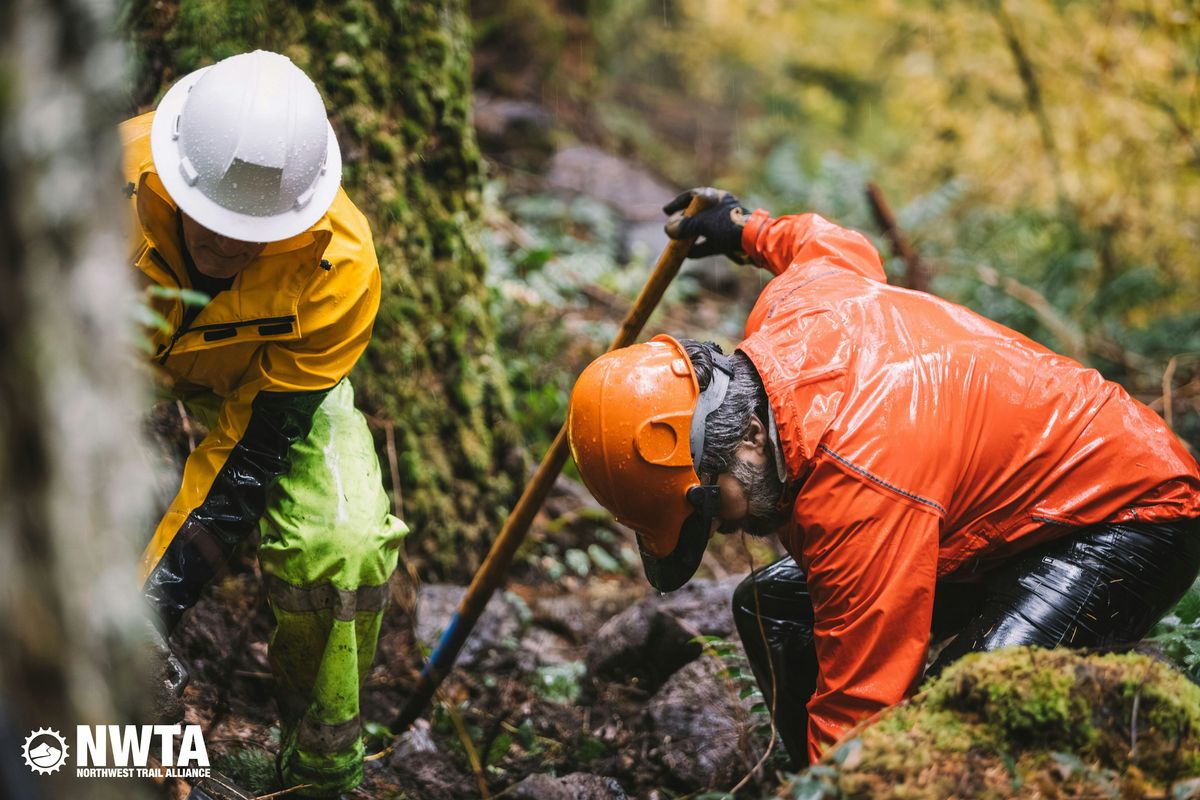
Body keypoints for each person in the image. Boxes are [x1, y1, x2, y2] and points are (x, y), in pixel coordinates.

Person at [566, 187, 1200, 767]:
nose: (731, 526)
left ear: (749, 435)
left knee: (960, 721)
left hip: (1131, 512)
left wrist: (845, 776)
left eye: (716, 508)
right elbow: (830, 244)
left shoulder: (857, 492)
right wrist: (743, 227)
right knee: (773, 608)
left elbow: (859, 714)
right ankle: (804, 777)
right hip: (997, 513)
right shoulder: (794, 308)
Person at [122, 50, 407, 798]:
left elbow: (249, 453)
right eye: (209, 226)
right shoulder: (91, 187)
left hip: (258, 382)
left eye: (251, 235)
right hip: (99, 346)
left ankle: (315, 774)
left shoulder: (339, 269)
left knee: (341, 541)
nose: (224, 249)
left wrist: (148, 608)